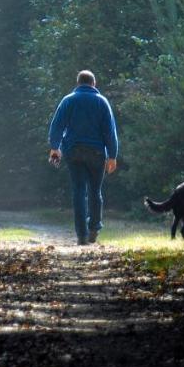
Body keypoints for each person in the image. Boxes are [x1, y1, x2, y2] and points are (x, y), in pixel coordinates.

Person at [47, 70, 119, 245]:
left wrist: (54, 148)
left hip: (73, 151)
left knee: (79, 191)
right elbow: (110, 131)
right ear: (94, 84)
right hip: (96, 152)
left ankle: (81, 235)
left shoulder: (68, 100)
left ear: (78, 83)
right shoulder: (102, 102)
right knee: (95, 191)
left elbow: (56, 126)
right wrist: (112, 156)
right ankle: (94, 227)